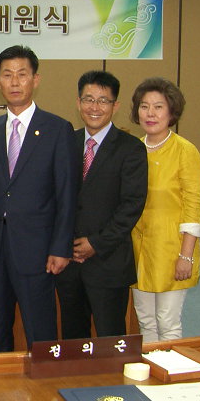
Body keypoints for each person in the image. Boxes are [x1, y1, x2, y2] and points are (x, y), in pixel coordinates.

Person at [0, 45, 76, 352]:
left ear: (36, 80)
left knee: (41, 332)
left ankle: (45, 396)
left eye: (22, 75)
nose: (14, 82)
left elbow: (66, 194)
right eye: (7, 75)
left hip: (38, 252)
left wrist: (61, 247)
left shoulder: (57, 129)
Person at [56, 71, 147, 339]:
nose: (94, 107)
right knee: (73, 337)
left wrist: (96, 243)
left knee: (111, 339)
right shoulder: (65, 143)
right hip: (69, 263)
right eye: (88, 99)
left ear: (115, 106)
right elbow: (55, 199)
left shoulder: (130, 149)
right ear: (78, 102)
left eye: (103, 101)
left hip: (108, 262)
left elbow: (131, 206)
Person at [128, 78, 200, 342]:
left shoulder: (185, 151)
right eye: (144, 106)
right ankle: (151, 376)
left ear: (172, 112)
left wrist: (186, 256)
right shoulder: (133, 149)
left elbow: (194, 205)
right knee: (146, 322)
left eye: (158, 107)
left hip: (173, 250)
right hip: (138, 252)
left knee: (168, 323)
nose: (150, 113)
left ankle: (172, 378)